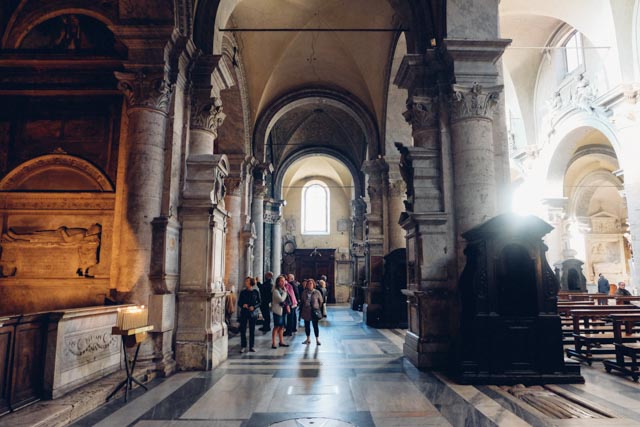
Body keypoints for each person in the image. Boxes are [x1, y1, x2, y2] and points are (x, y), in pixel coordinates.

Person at [237, 277, 261, 353]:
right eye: (245, 281)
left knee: (252, 330)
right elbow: (239, 303)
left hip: (252, 313)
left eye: (247, 281)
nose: (245, 282)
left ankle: (252, 346)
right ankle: (243, 346)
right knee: (243, 330)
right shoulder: (243, 292)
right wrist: (243, 305)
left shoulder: (255, 292)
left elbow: (260, 302)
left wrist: (254, 307)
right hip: (244, 312)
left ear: (251, 283)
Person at [300, 278, 324, 345]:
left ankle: (317, 340)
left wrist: (317, 307)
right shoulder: (304, 292)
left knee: (315, 326)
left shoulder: (317, 292)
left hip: (314, 311)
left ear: (313, 284)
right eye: (308, 284)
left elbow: (321, 301)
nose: (309, 285)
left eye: (311, 283)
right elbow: (302, 301)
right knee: (307, 326)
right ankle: (308, 339)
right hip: (306, 311)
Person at [271, 275, 290, 349]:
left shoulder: (283, 289)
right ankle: (273, 343)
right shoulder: (275, 291)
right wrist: (285, 292)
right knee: (277, 326)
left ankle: (281, 341)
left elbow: (287, 300)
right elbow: (281, 299)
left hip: (283, 310)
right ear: (278, 282)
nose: (283, 282)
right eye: (281, 281)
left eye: (284, 281)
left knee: (282, 327)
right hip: (277, 311)